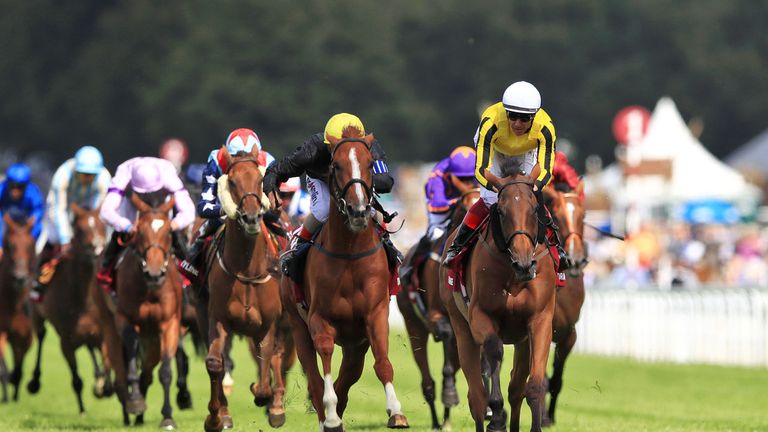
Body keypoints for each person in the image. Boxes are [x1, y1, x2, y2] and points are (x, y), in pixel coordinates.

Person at [443, 81, 567, 269]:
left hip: (526, 150)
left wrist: (533, 187)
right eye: (513, 116)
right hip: (494, 148)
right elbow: (481, 170)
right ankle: (458, 245)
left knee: (532, 199)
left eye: (525, 119)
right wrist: (501, 187)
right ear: (505, 112)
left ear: (534, 117)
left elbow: (545, 168)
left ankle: (557, 247)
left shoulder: (545, 127)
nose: (517, 123)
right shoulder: (491, 122)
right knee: (490, 200)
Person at [262, 113, 397, 270]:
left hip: (355, 182)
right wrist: (270, 184)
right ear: (328, 145)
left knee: (373, 212)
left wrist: (363, 177)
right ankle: (297, 249)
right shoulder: (313, 148)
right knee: (322, 210)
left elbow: (385, 182)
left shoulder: (371, 148)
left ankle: (389, 247)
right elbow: (280, 169)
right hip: (321, 180)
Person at [179, 128, 276, 280]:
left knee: (284, 224)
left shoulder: (268, 161)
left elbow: (275, 204)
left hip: (258, 207)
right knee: (207, 227)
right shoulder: (216, 160)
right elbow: (204, 206)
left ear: (258, 156)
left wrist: (261, 208)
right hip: (225, 205)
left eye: (248, 158)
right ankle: (192, 264)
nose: (242, 163)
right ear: (228, 156)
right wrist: (226, 209)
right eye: (236, 157)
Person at [96, 157, 195, 303]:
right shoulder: (123, 174)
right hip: (132, 209)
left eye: (154, 191)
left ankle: (188, 276)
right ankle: (107, 274)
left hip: (161, 210)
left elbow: (189, 212)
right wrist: (127, 226)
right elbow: (106, 212)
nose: (149, 196)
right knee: (120, 235)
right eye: (144, 193)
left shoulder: (168, 174)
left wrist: (173, 224)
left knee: (174, 238)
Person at [30, 146, 112, 303]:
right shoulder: (63, 175)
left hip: (89, 204)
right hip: (64, 205)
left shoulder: (104, 178)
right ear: (76, 170)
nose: (87, 178)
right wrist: (65, 239)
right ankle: (38, 284)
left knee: (99, 238)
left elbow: (100, 209)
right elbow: (58, 209)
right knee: (53, 238)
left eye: (91, 175)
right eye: (83, 174)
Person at [400, 146, 478, 283]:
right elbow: (437, 205)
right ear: (451, 174)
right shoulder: (438, 176)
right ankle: (410, 267)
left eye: (470, 178)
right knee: (435, 234)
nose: (468, 183)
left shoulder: (478, 171)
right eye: (462, 179)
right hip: (441, 207)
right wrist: (460, 200)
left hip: (465, 200)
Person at [0, 163, 44, 261]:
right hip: (6, 224)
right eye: (12, 186)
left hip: (25, 226)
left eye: (20, 187)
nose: (15, 191)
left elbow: (38, 212)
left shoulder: (33, 193)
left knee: (39, 229)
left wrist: (29, 238)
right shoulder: (1, 190)